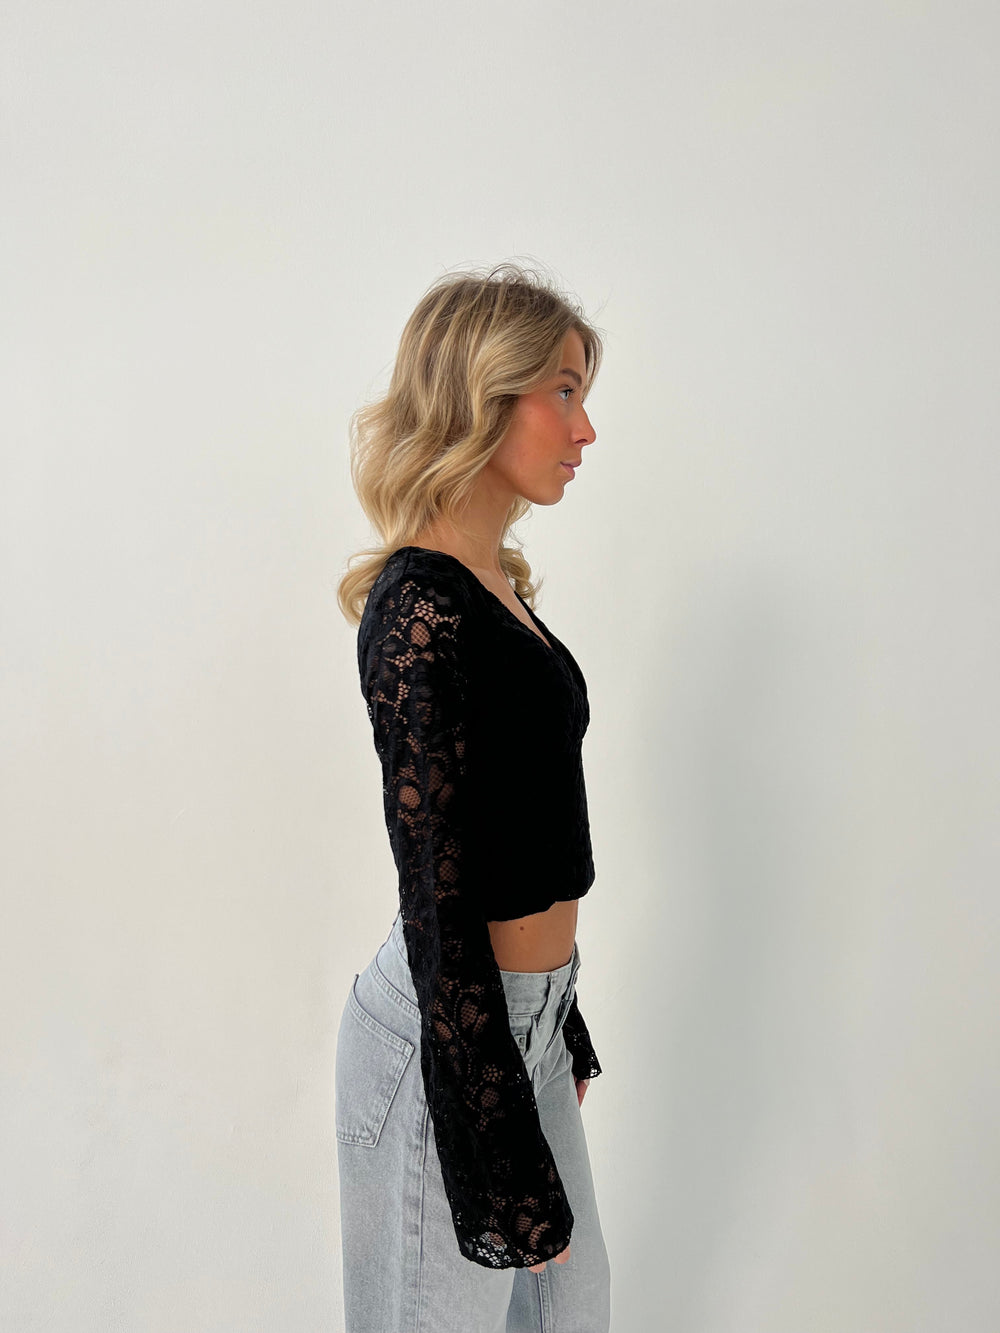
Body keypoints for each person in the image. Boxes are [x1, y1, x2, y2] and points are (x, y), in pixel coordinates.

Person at [334, 262, 611, 1332]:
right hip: (448, 1039)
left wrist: (560, 1022)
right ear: (484, 392)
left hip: (524, 1029)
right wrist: (492, 1131)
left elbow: (522, 822)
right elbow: (436, 887)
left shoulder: (501, 589)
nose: (584, 430)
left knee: (571, 1313)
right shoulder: (419, 607)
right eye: (564, 391)